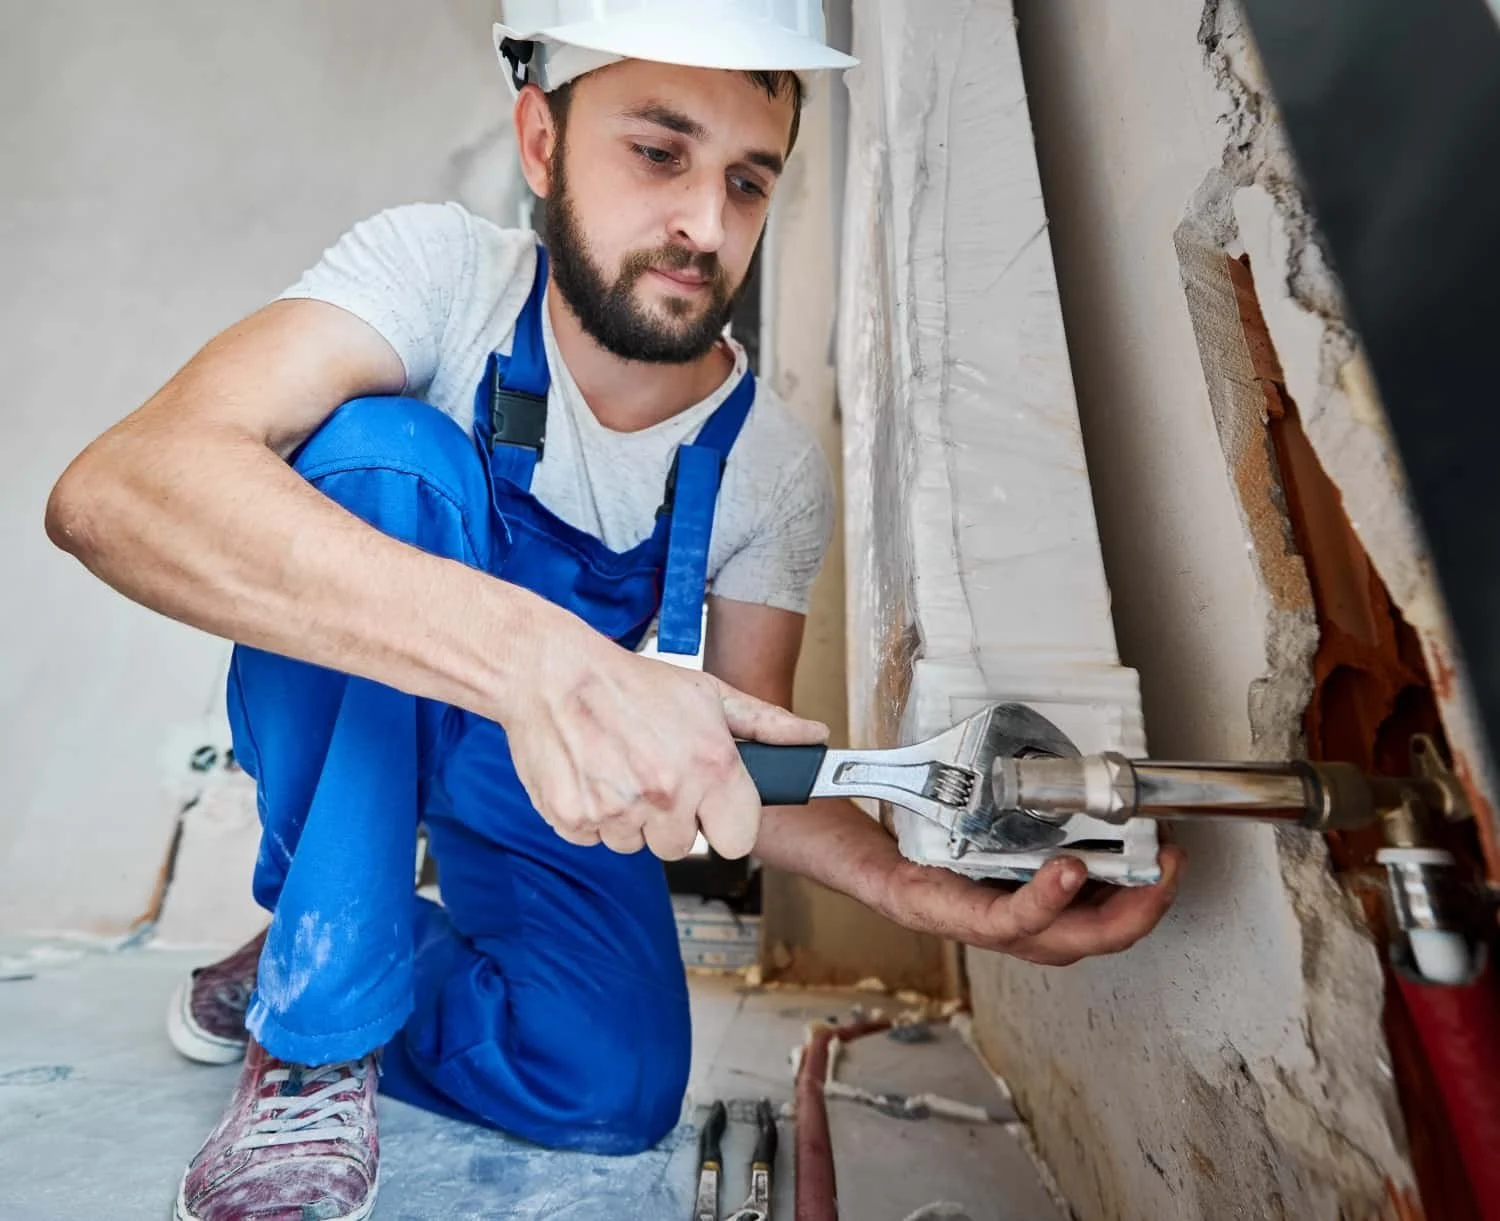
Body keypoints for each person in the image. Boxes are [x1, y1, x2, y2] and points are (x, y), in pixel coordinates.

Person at [45, 3, 1184, 1218]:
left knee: (609, 1082)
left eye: (749, 181)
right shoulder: (439, 280)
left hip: (542, 765)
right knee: (391, 458)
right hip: (356, 717)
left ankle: (318, 951)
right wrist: (534, 660)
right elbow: (117, 490)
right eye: (659, 152)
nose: (705, 224)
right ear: (542, 139)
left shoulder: (770, 469)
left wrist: (903, 883)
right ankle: (316, 1033)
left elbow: (742, 770)